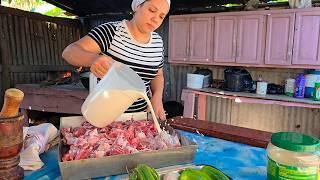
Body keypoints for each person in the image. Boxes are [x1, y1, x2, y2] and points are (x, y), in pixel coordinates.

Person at [62, 0, 170, 120]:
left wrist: (157, 96)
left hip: (139, 119)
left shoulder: (157, 42)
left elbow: (158, 75)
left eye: (161, 16)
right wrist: (93, 59)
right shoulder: (112, 32)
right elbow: (69, 52)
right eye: (152, 10)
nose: (156, 19)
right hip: (103, 118)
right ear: (138, 7)